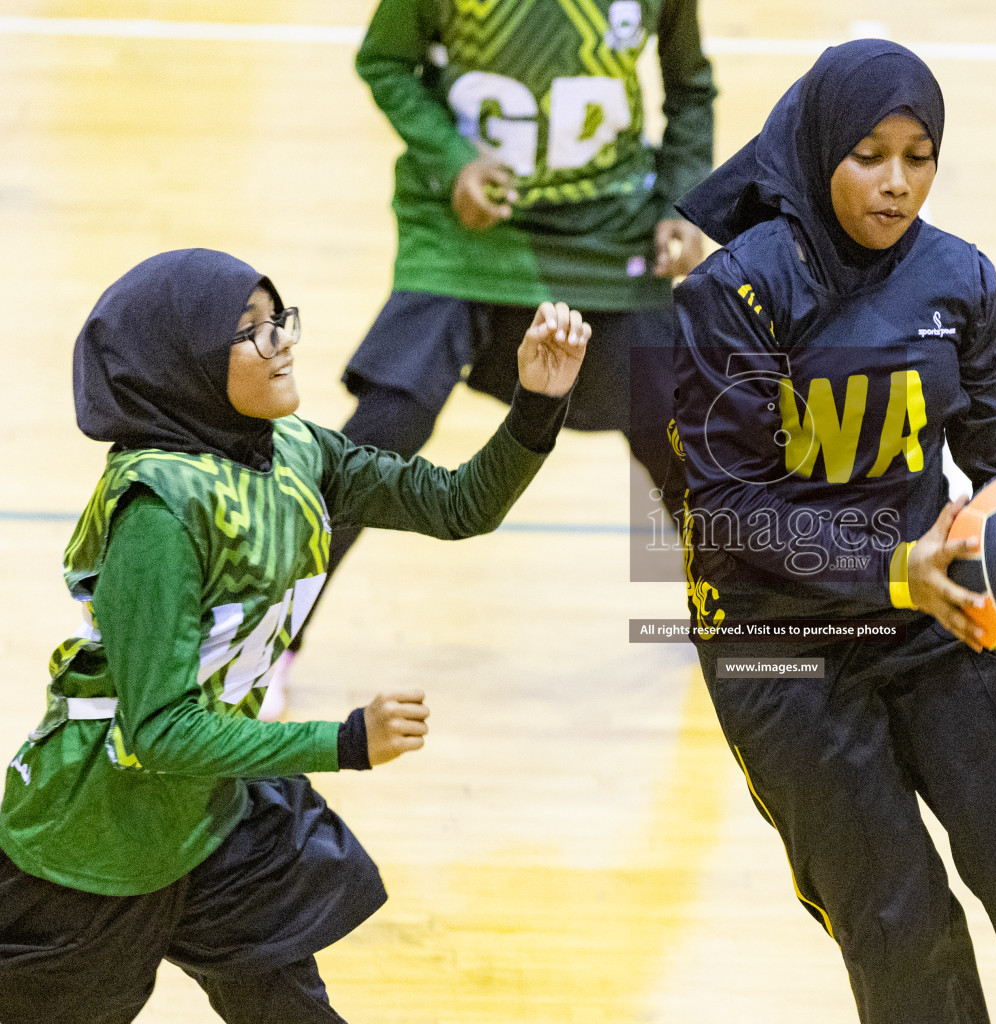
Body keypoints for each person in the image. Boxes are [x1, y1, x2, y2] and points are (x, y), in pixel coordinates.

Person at [669, 41, 996, 1023]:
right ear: (817, 154)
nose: (897, 183)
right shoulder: (733, 295)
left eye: (918, 155)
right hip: (780, 647)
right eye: (869, 155)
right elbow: (726, 511)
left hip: (937, 613)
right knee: (902, 923)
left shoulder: (959, 278)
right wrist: (892, 567)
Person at [0, 248, 588, 1023]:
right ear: (186, 365)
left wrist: (537, 405)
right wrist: (342, 742)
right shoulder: (158, 512)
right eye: (250, 333)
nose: (282, 342)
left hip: (215, 817)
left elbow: (456, 507)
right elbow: (162, 732)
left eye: (279, 319)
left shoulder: (296, 454)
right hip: (96, 840)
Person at [263, 0, 717, 717]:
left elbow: (691, 87)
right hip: (467, 234)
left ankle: (727, 611)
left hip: (607, 236)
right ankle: (270, 638)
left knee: (680, 432)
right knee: (387, 426)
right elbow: (383, 61)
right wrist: (453, 163)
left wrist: (683, 207)